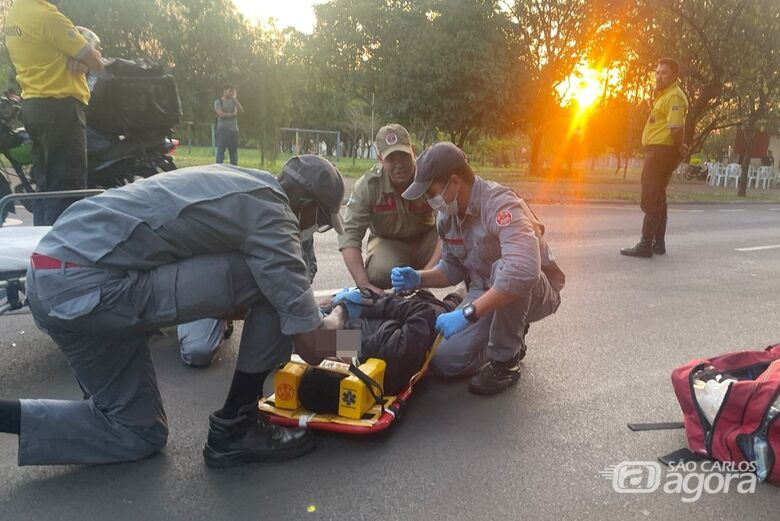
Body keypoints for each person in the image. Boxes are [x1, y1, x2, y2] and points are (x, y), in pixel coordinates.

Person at [0, 156, 346, 468]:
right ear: (305, 204)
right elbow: (313, 346)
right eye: (322, 221)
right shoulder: (275, 216)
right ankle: (236, 426)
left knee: (138, 432)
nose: (318, 230)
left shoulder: (242, 179)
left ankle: (7, 416)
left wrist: (301, 313)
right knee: (274, 284)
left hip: (51, 278)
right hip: (91, 283)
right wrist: (348, 325)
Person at [391, 142, 565, 395]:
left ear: (454, 182)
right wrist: (418, 278)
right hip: (485, 289)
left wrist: (468, 314)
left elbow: (523, 271)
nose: (429, 200)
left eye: (431, 192)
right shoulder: (447, 216)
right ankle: (507, 338)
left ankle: (506, 361)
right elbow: (452, 269)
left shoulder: (501, 204)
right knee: (444, 362)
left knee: (507, 269)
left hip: (537, 291)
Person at [176, 167, 321, 369]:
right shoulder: (241, 207)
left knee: (306, 328)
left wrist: (307, 305)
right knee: (198, 351)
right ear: (305, 203)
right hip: (212, 295)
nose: (318, 223)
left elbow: (307, 271)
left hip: (266, 299)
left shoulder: (298, 219)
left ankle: (359, 339)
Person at [4, 0, 104, 225]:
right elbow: (96, 61)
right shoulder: (48, 17)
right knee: (67, 187)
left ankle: (40, 243)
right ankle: (61, 253)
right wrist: (81, 57)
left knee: (46, 185)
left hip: (32, 106)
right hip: (60, 108)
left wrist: (75, 57)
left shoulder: (16, 14)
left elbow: (47, 51)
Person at [338, 124, 440, 292]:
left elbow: (450, 228)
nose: (399, 165)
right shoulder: (368, 186)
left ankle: (471, 298)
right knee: (378, 273)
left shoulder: (429, 178)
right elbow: (349, 236)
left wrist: (424, 279)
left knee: (463, 249)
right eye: (391, 159)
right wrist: (364, 286)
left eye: (404, 156)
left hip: (427, 240)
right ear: (380, 159)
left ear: (413, 151)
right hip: (388, 242)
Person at [621, 58, 688, 258]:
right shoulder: (664, 95)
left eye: (664, 73)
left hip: (662, 151)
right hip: (661, 150)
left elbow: (677, 128)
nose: (659, 76)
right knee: (658, 195)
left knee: (651, 195)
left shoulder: (673, 96)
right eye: (657, 72)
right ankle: (658, 243)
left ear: (674, 76)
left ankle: (645, 244)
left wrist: (678, 147)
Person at [214, 83, 243, 165]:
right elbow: (221, 114)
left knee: (233, 152)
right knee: (221, 151)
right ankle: (218, 169)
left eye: (233, 92)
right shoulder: (218, 102)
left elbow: (241, 111)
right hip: (223, 129)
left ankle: (234, 169)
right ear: (224, 91)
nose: (231, 93)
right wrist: (233, 114)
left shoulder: (234, 102)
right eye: (230, 91)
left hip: (234, 130)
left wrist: (236, 100)